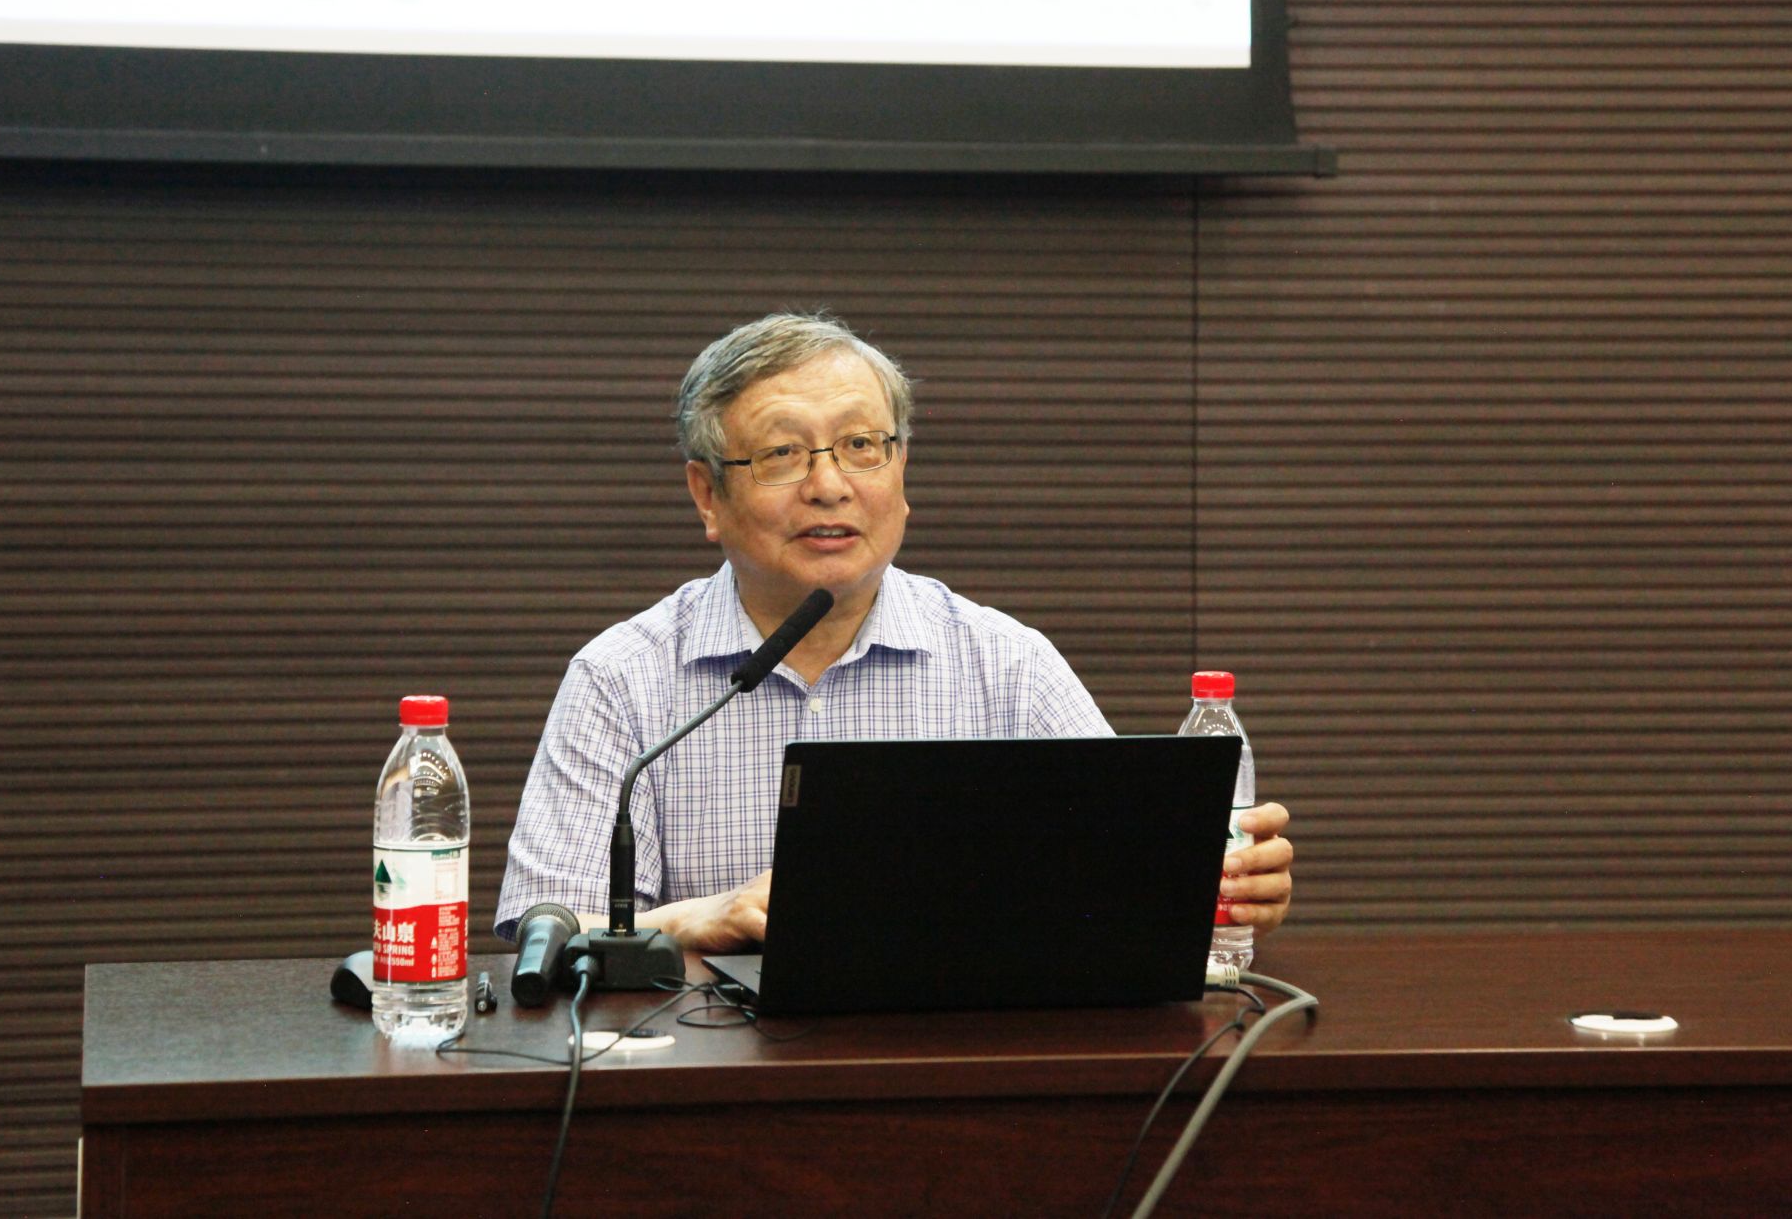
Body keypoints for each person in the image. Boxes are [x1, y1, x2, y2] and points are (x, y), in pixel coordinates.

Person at [494, 310, 1292, 949]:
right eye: (782, 453)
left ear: (902, 470)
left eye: (861, 446)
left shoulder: (1005, 665)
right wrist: (695, 919)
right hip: (712, 1080)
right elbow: (545, 931)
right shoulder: (623, 677)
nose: (830, 485)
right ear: (707, 495)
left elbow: (1129, 889)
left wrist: (1219, 888)